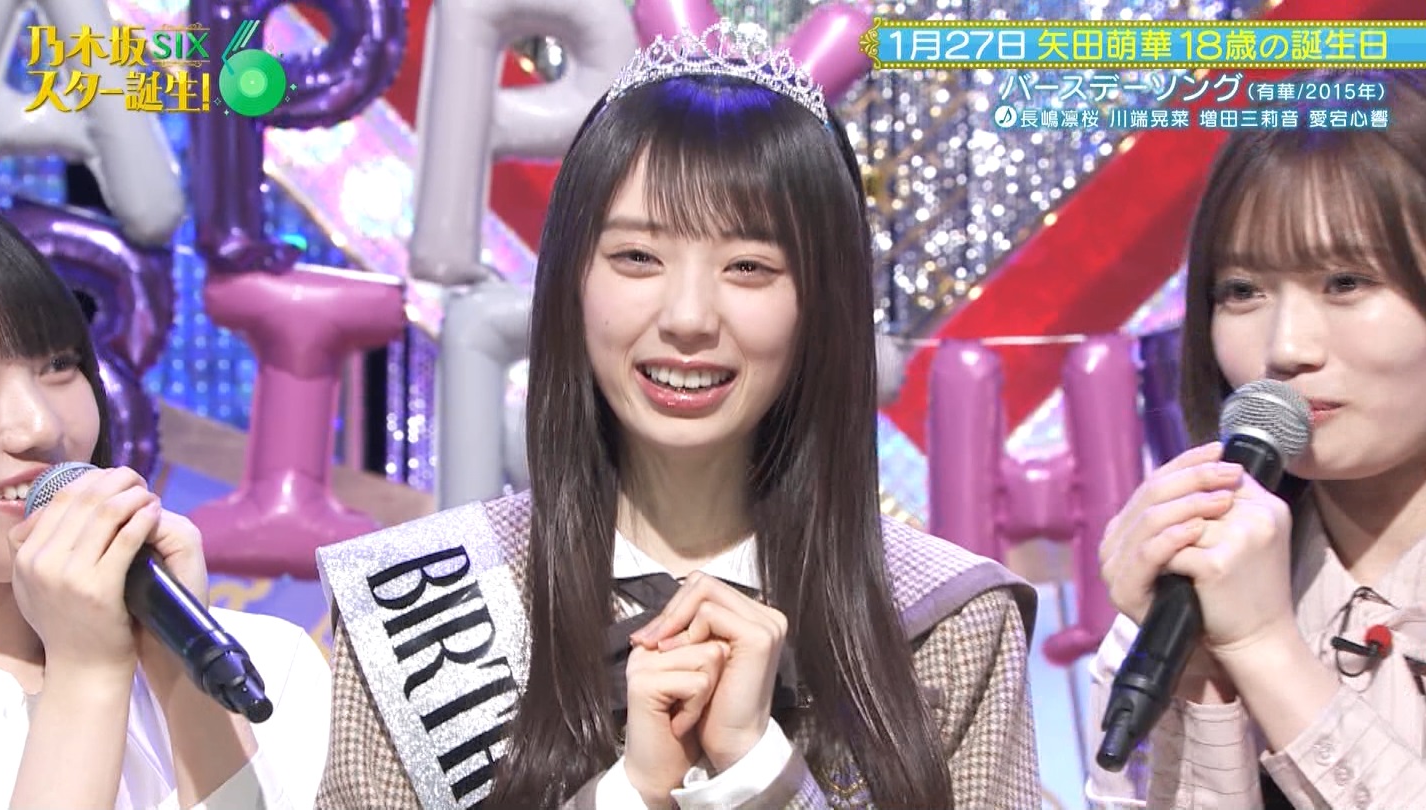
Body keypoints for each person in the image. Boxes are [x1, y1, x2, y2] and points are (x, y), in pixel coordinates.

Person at [314, 21, 1040, 810]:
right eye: (638, 258)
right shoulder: (418, 605)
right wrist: (633, 794)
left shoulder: (948, 626)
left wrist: (760, 777)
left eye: (749, 266)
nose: (688, 317)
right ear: (571, 283)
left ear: (821, 307)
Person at [1087, 68, 1426, 809]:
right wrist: (1198, 672)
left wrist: (1266, 648)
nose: (1286, 348)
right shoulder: (1200, 575)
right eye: (1242, 291)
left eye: (1346, 282)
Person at [0, 202, 331, 809]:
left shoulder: (270, 664)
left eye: (60, 364)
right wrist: (86, 673)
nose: (39, 426)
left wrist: (183, 675)